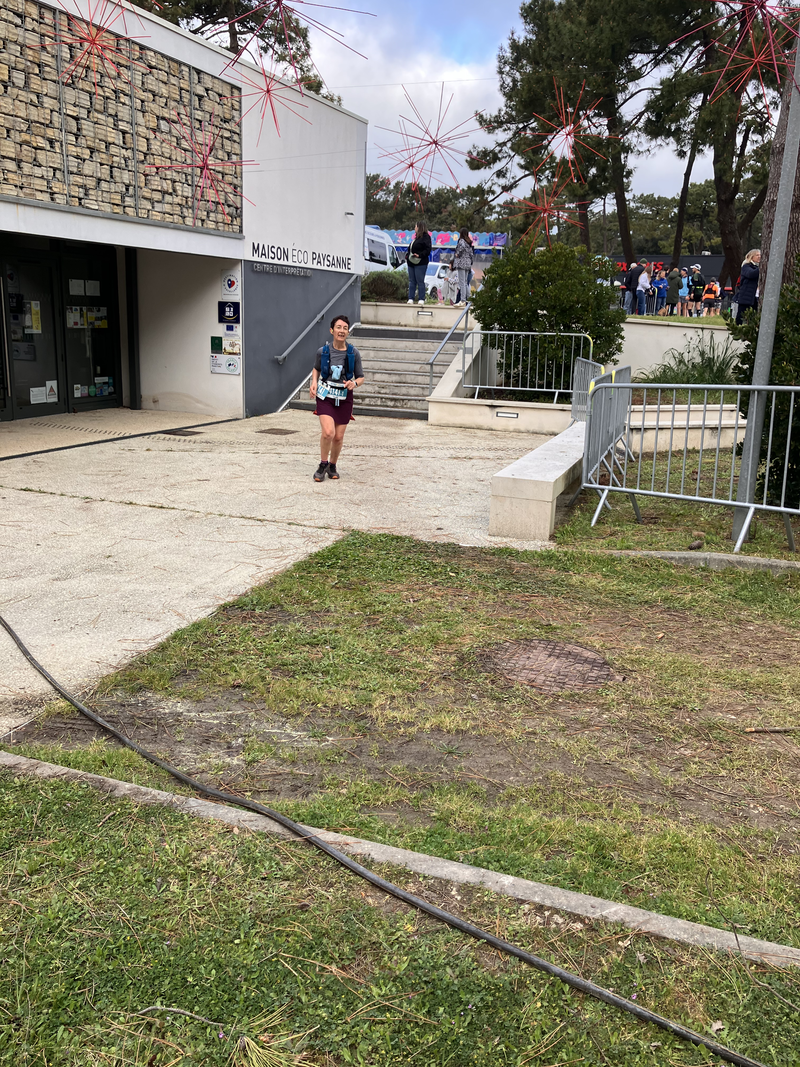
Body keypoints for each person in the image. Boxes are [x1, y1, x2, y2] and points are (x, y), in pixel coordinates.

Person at [309, 314, 365, 482]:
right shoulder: (323, 351)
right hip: (325, 396)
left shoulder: (353, 353)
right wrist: (314, 382)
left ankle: (332, 465)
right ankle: (322, 464)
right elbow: (316, 368)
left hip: (344, 397)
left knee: (338, 437)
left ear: (348, 332)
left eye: (345, 328)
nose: (342, 331)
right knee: (328, 433)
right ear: (332, 330)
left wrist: (354, 383)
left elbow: (361, 377)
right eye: (338, 327)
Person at [406, 221, 432, 305]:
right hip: (411, 262)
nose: (414, 228)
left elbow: (428, 250)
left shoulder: (426, 237)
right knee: (412, 281)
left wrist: (420, 255)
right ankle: (411, 298)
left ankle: (421, 298)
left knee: (420, 280)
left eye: (415, 226)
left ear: (419, 227)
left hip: (421, 262)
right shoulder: (416, 238)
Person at [735, 248, 761, 324]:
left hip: (756, 296)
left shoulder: (757, 267)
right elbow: (751, 274)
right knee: (741, 315)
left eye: (760, 255)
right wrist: (761, 267)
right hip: (746, 297)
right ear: (751, 257)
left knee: (754, 317)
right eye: (757, 255)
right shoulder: (746, 266)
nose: (759, 257)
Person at [452, 228, 474, 307]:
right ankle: (470, 299)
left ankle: (463, 300)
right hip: (467, 264)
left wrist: (457, 254)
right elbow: (471, 254)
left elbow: (461, 248)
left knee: (462, 283)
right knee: (465, 283)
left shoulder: (461, 241)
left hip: (461, 263)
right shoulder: (469, 242)